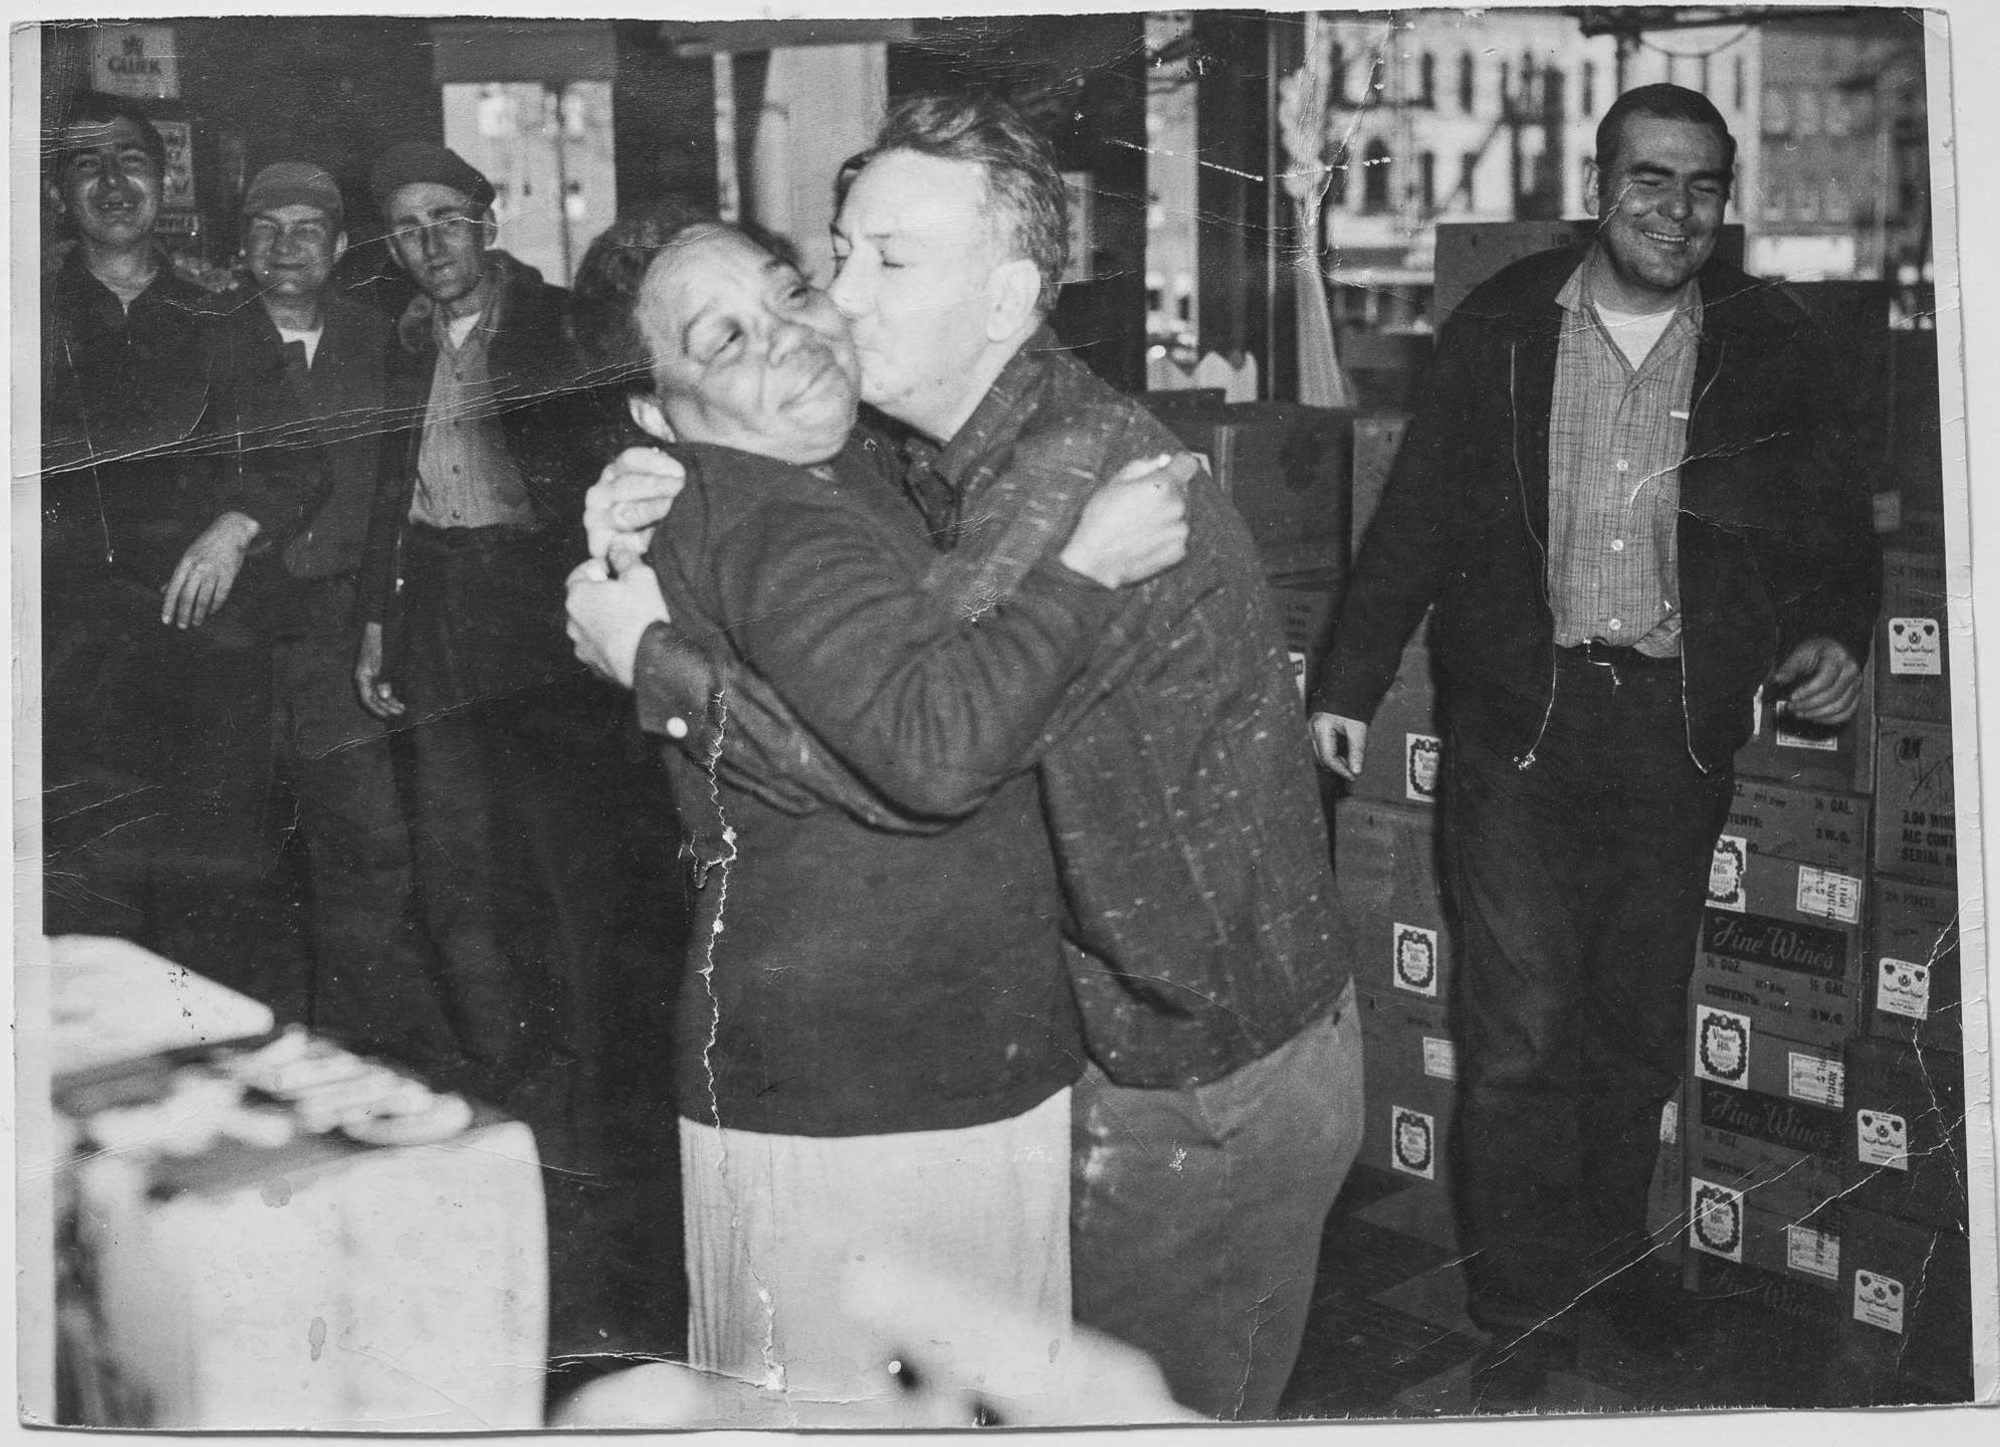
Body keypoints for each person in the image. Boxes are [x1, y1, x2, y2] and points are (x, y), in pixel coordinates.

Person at [585, 95, 1362, 1421]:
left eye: (890, 261)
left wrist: (651, 659)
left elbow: (909, 757)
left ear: (1007, 299)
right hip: (1144, 1046)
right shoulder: (929, 449)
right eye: (835, 252)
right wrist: (662, 475)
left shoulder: (1059, 478)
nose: (833, 299)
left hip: (1203, 1080)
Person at [1307, 84, 1881, 1409]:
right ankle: (1516, 1306)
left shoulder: (1766, 342)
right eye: (1648, 178)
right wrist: (1346, 677)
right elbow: (1415, 520)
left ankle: (1608, 1267)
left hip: (1675, 731)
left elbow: (1834, 539)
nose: (1673, 209)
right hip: (1524, 727)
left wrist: (1837, 633)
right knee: (1520, 1038)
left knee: (1631, 1031)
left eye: (1700, 186)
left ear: (1722, 203)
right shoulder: (1503, 328)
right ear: (1597, 180)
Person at [561, 205, 1188, 1409]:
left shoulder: (840, 468)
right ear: (650, 405)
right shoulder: (774, 520)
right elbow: (936, 753)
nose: (789, 341)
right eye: (723, 339)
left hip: (918, 1059)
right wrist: (1084, 573)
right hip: (858, 1090)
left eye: (789, 296)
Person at [353, 142, 621, 1104]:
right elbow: (390, 492)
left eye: (446, 217)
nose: (430, 241)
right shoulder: (402, 340)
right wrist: (381, 621)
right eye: (408, 227)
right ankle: (497, 1059)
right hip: (435, 600)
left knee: (557, 840)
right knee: (455, 843)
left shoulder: (559, 325)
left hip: (537, 600)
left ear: (488, 220)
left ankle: (589, 1058)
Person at [42, 99, 322, 984]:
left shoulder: (222, 311)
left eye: (131, 161)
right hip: (66, 663)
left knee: (215, 911)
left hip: (205, 658)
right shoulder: (26, 311)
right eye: (87, 165)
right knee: (85, 911)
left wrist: (233, 529)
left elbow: (298, 458)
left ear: (163, 183)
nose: (114, 183)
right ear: (58, 191)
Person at [232, 160, 448, 1063]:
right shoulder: (203, 340)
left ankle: (361, 1056)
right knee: (229, 859)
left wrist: (377, 620)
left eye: (308, 229)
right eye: (267, 229)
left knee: (366, 848)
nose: (288, 248)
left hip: (338, 632)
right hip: (226, 640)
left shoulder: (384, 342)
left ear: (341, 245)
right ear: (241, 246)